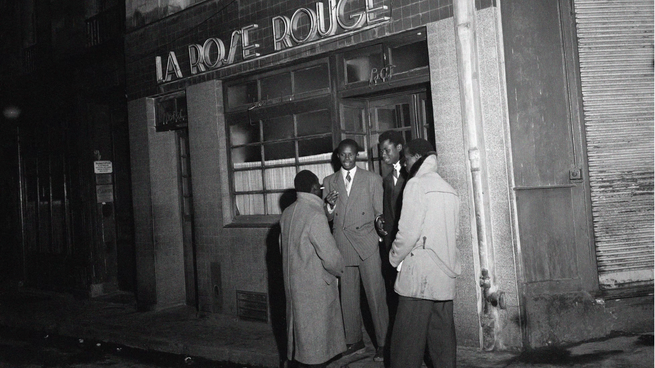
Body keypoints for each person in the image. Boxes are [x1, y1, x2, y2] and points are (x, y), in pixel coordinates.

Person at [388, 139, 461, 368]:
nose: (405, 164)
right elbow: (454, 235)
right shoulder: (450, 189)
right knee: (442, 347)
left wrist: (393, 258)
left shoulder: (415, 185)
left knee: (406, 349)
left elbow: (408, 233)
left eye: (406, 159)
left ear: (417, 158)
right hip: (443, 279)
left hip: (418, 281)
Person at [323, 139, 388, 362]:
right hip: (343, 243)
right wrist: (329, 206)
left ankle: (383, 342)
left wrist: (380, 227)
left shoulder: (372, 179)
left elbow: (379, 212)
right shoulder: (329, 181)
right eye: (343, 155)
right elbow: (329, 217)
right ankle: (354, 340)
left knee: (375, 295)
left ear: (357, 155)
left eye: (351, 154)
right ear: (338, 156)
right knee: (348, 297)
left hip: (367, 244)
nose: (347, 158)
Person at [280, 170, 346, 368]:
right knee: (317, 350)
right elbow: (330, 256)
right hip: (314, 289)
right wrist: (339, 270)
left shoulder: (288, 213)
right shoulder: (315, 215)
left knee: (301, 344)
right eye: (319, 186)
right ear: (315, 188)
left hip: (295, 287)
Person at [375, 131, 407, 312]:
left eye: (387, 150)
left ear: (399, 148)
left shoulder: (412, 176)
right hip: (391, 245)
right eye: (382, 151)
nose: (383, 155)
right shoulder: (386, 180)